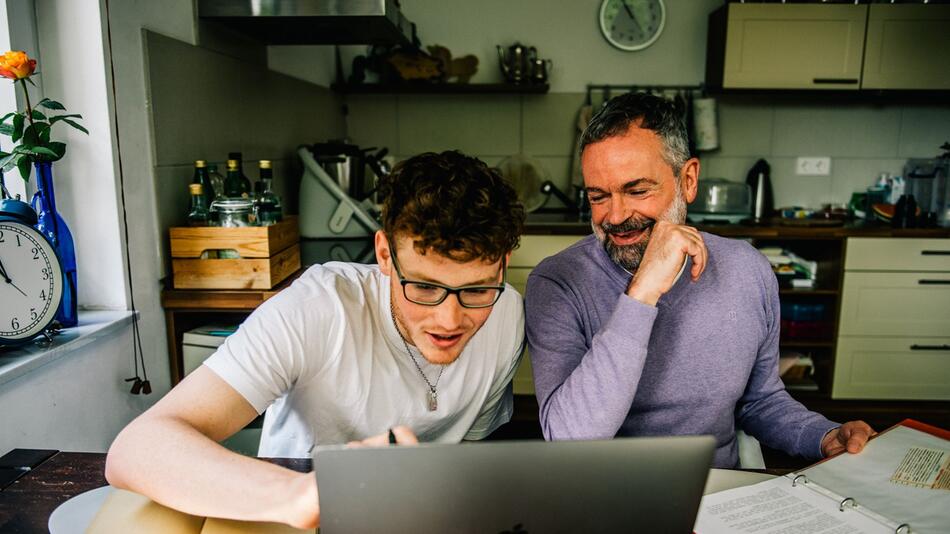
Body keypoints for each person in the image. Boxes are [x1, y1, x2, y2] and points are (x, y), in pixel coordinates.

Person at [106, 151, 526, 528]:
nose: (450, 320)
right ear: (383, 255)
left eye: (476, 290)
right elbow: (137, 447)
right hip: (289, 517)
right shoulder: (319, 308)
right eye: (424, 287)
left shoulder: (507, 316)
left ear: (503, 265)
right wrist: (305, 495)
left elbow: (472, 451)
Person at [524, 92, 873, 468]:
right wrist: (642, 293)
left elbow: (759, 401)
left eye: (637, 190)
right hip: (607, 497)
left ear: (687, 180)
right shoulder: (557, 282)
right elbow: (569, 438)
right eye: (597, 196)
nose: (616, 215)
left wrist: (822, 437)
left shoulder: (747, 270)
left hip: (716, 491)